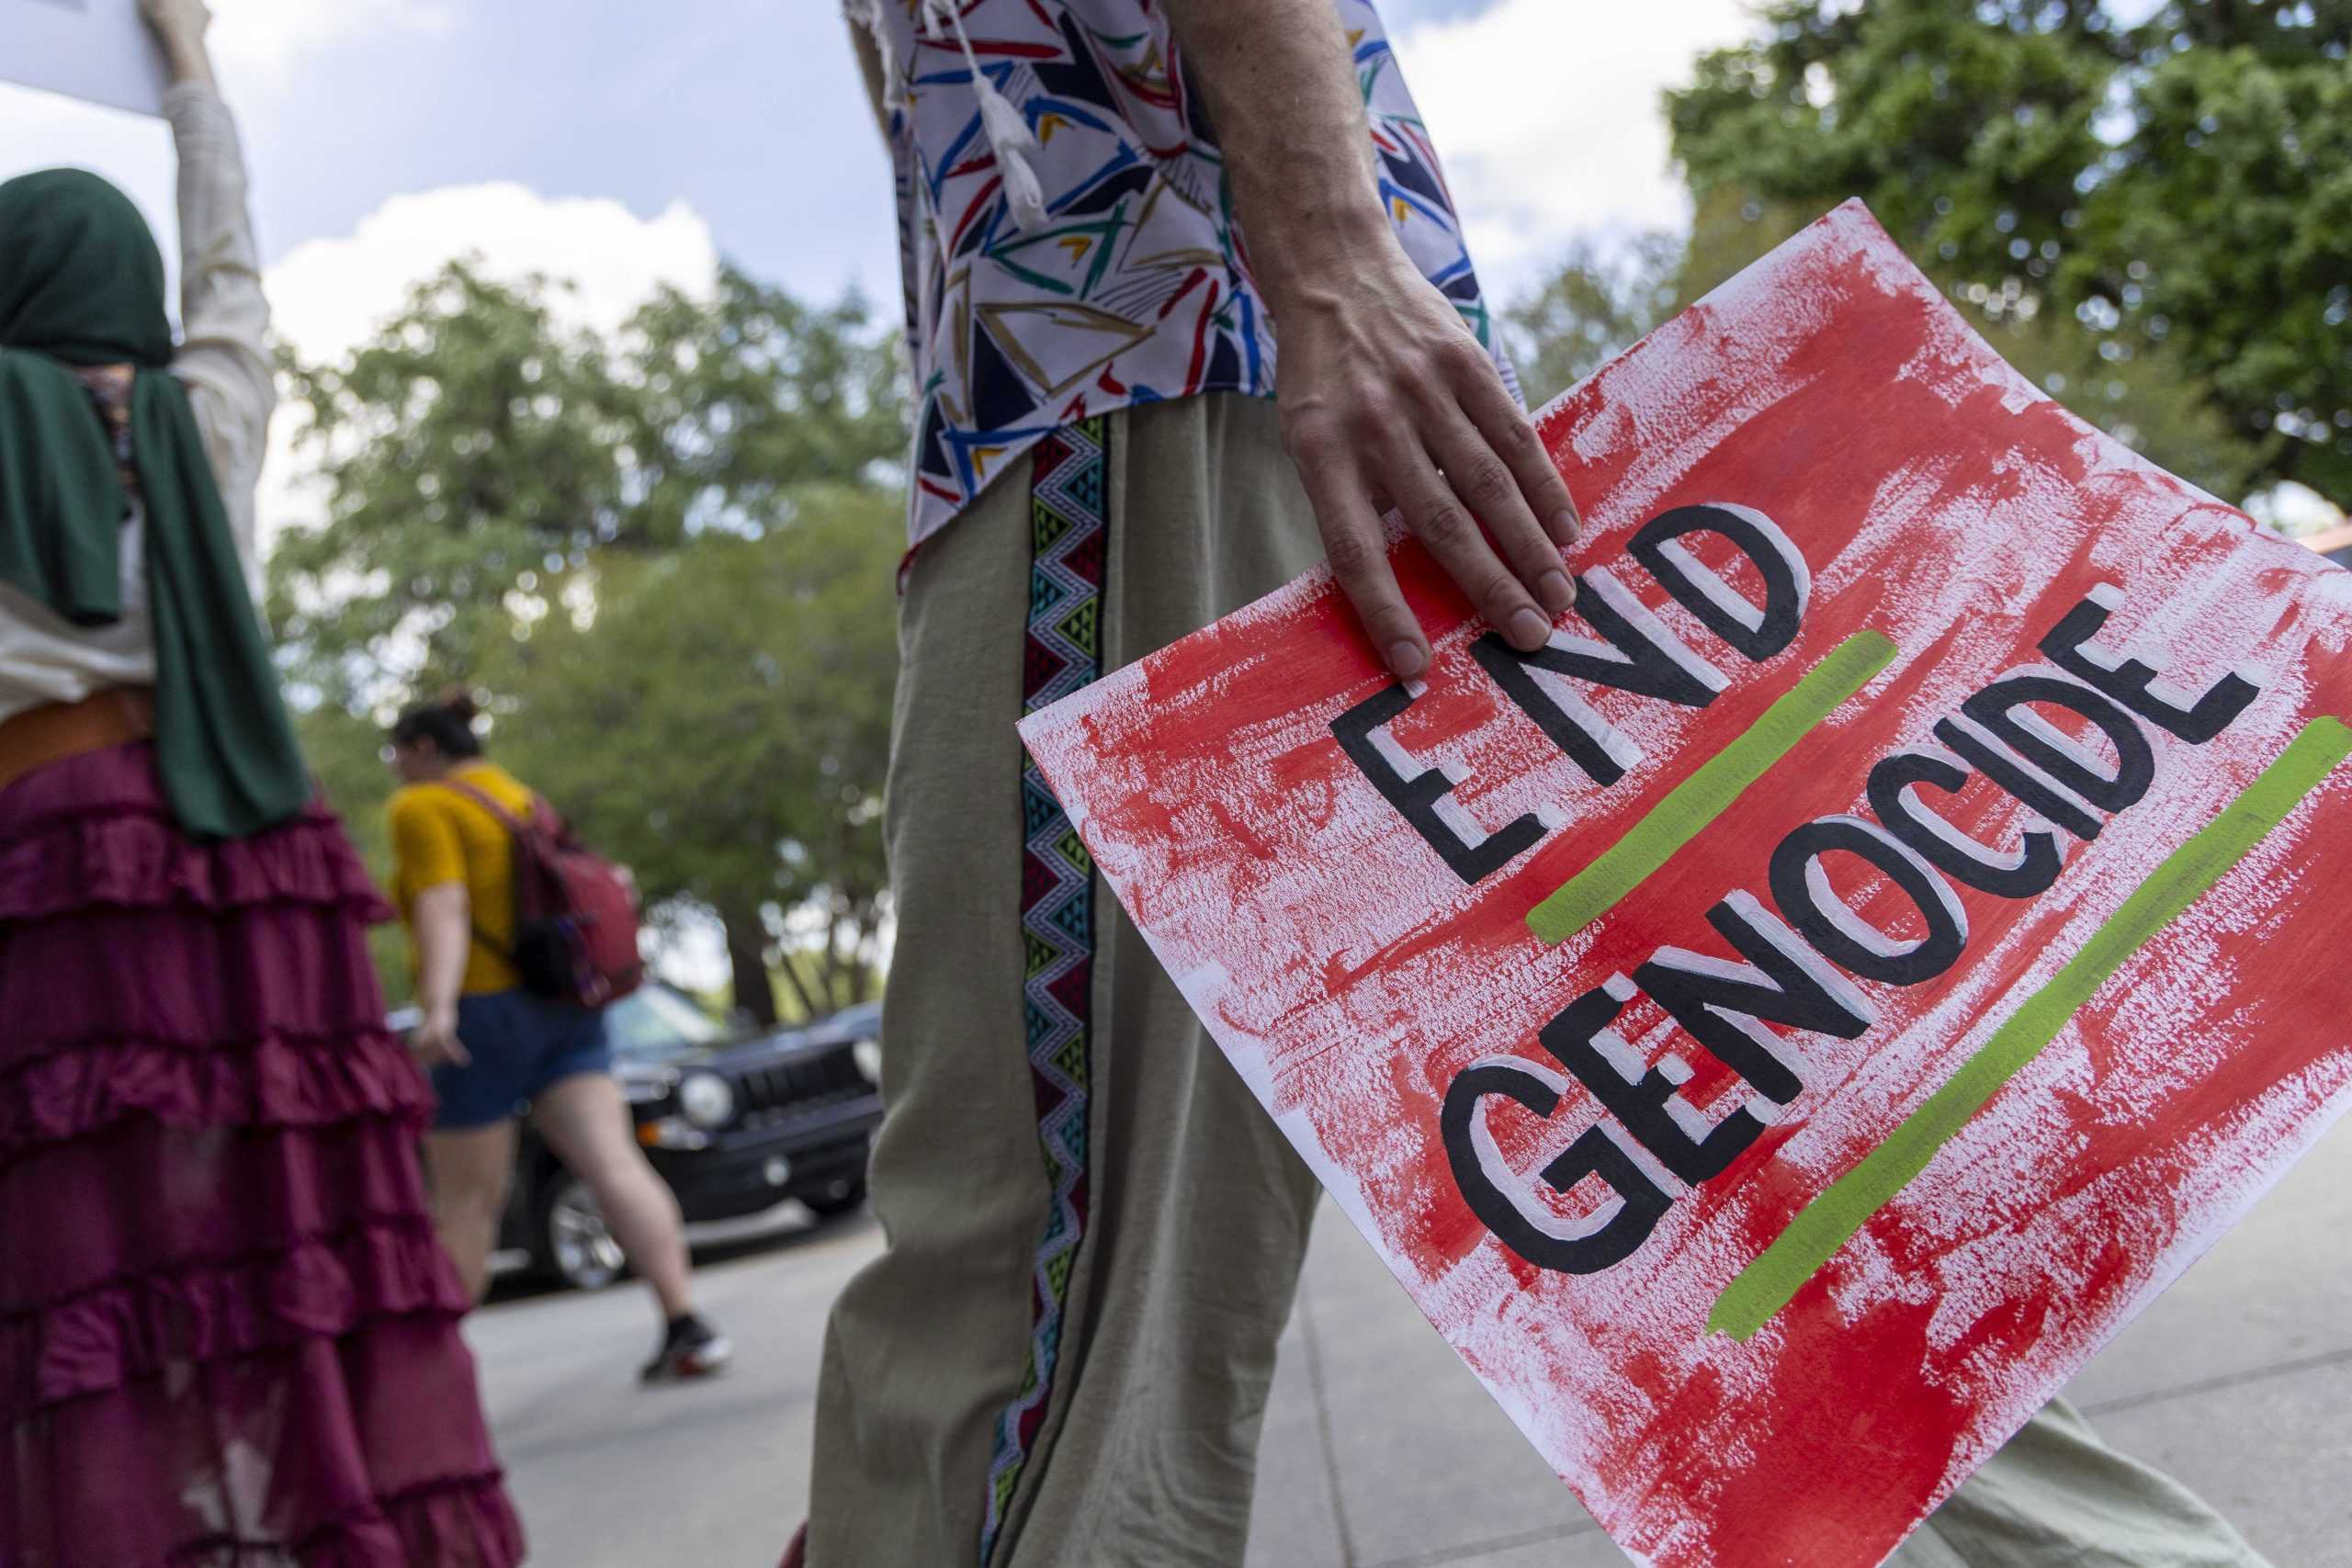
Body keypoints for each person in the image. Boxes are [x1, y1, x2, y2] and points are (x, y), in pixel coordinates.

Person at [803, 2, 2276, 1566]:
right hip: (1233, 363)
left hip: (1139, 355)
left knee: (1039, 1257)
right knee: (1690, 1154)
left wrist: (1328, 259)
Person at [0, 3, 526, 1562]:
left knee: (82, 1258)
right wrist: (192, 68)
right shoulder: (204, 418)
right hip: (239, 853)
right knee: (279, 1232)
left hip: (46, 868)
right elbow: (231, 268)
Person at [383, 689, 732, 1382]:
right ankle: (685, 1322)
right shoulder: (521, 797)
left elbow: (444, 904)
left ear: (424, 749)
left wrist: (440, 1010)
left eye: (396, 753)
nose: (394, 768)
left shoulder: (422, 806)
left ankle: (435, 1390)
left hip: (485, 1014)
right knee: (615, 1164)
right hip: (569, 1006)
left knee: (464, 1201)